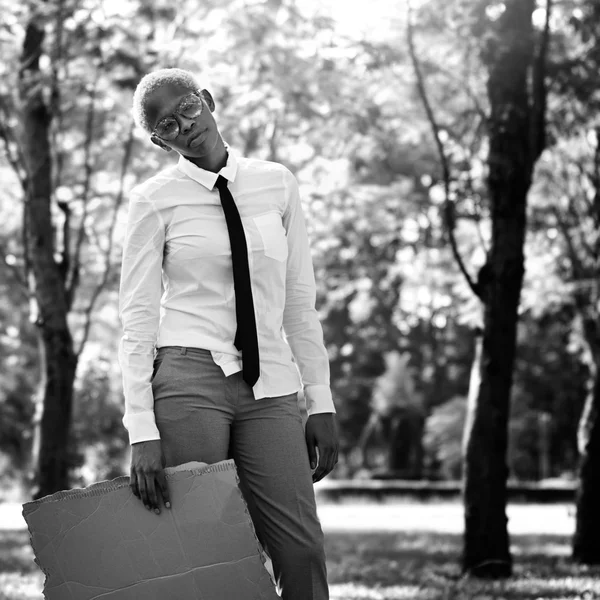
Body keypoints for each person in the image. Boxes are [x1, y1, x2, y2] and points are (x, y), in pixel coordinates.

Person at [117, 67, 339, 600]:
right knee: (206, 556)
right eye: (166, 126)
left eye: (188, 109)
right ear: (157, 141)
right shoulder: (155, 200)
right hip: (188, 381)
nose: (184, 126)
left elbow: (299, 303)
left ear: (208, 100)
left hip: (272, 386)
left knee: (300, 550)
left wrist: (322, 400)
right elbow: (137, 319)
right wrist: (141, 429)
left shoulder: (276, 183)